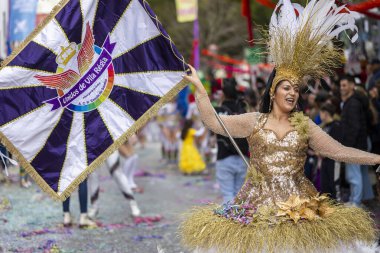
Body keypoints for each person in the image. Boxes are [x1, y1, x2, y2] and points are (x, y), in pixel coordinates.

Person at [179, 1, 380, 252]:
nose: (292, 93)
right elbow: (213, 122)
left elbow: (337, 151)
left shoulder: (304, 124)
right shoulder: (254, 120)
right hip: (257, 207)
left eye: (296, 89)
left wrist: (376, 158)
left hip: (299, 208)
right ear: (273, 92)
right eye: (287, 87)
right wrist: (199, 87)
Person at [340, 75, 374, 206]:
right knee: (362, 173)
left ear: (352, 86)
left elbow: (354, 127)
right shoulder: (357, 101)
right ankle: (364, 199)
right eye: (341, 85)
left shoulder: (353, 103)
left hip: (355, 144)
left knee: (354, 175)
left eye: (344, 85)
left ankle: (356, 202)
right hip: (362, 142)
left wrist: (347, 147)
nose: (341, 88)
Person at [215, 78, 249, 204]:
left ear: (223, 94)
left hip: (224, 157)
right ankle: (239, 221)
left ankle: (229, 222)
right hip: (242, 157)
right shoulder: (243, 110)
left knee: (228, 194)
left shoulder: (218, 111)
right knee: (239, 193)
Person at [318, 103, 342, 199]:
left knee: (334, 185)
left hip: (333, 161)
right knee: (325, 186)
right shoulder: (324, 126)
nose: (320, 115)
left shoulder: (336, 127)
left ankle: (337, 207)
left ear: (325, 113)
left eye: (321, 113)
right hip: (325, 160)